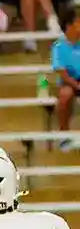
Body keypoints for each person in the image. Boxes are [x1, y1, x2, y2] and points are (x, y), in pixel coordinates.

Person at [54, 9, 80, 146]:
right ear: (69, 26)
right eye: (78, 21)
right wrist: (76, 85)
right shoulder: (59, 46)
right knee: (65, 95)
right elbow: (61, 71)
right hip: (69, 81)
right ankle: (64, 134)